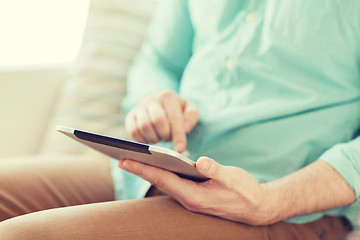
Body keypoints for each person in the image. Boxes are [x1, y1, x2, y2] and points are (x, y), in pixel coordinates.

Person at [0, 0, 359, 239]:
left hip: (282, 203)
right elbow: (160, 60)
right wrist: (152, 100)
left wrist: (271, 201)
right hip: (162, 166)